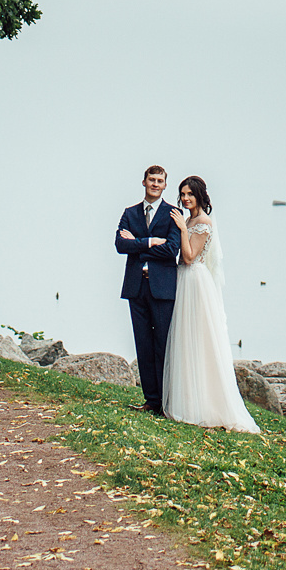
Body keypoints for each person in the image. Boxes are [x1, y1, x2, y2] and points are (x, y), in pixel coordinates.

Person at [161, 175, 258, 432]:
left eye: (190, 194)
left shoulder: (202, 222)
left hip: (195, 281)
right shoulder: (189, 220)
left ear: (200, 196)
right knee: (184, 339)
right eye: (183, 194)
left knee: (198, 338)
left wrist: (183, 230)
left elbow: (189, 257)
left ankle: (204, 404)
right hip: (183, 279)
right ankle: (186, 399)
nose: (185, 198)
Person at [114, 164, 180, 415]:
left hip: (162, 289)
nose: (155, 184)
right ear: (144, 182)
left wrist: (138, 245)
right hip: (136, 288)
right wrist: (151, 242)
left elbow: (171, 249)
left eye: (159, 181)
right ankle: (151, 400)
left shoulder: (173, 213)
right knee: (143, 345)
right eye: (151, 179)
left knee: (163, 346)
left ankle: (166, 402)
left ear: (165, 185)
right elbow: (120, 245)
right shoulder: (129, 213)